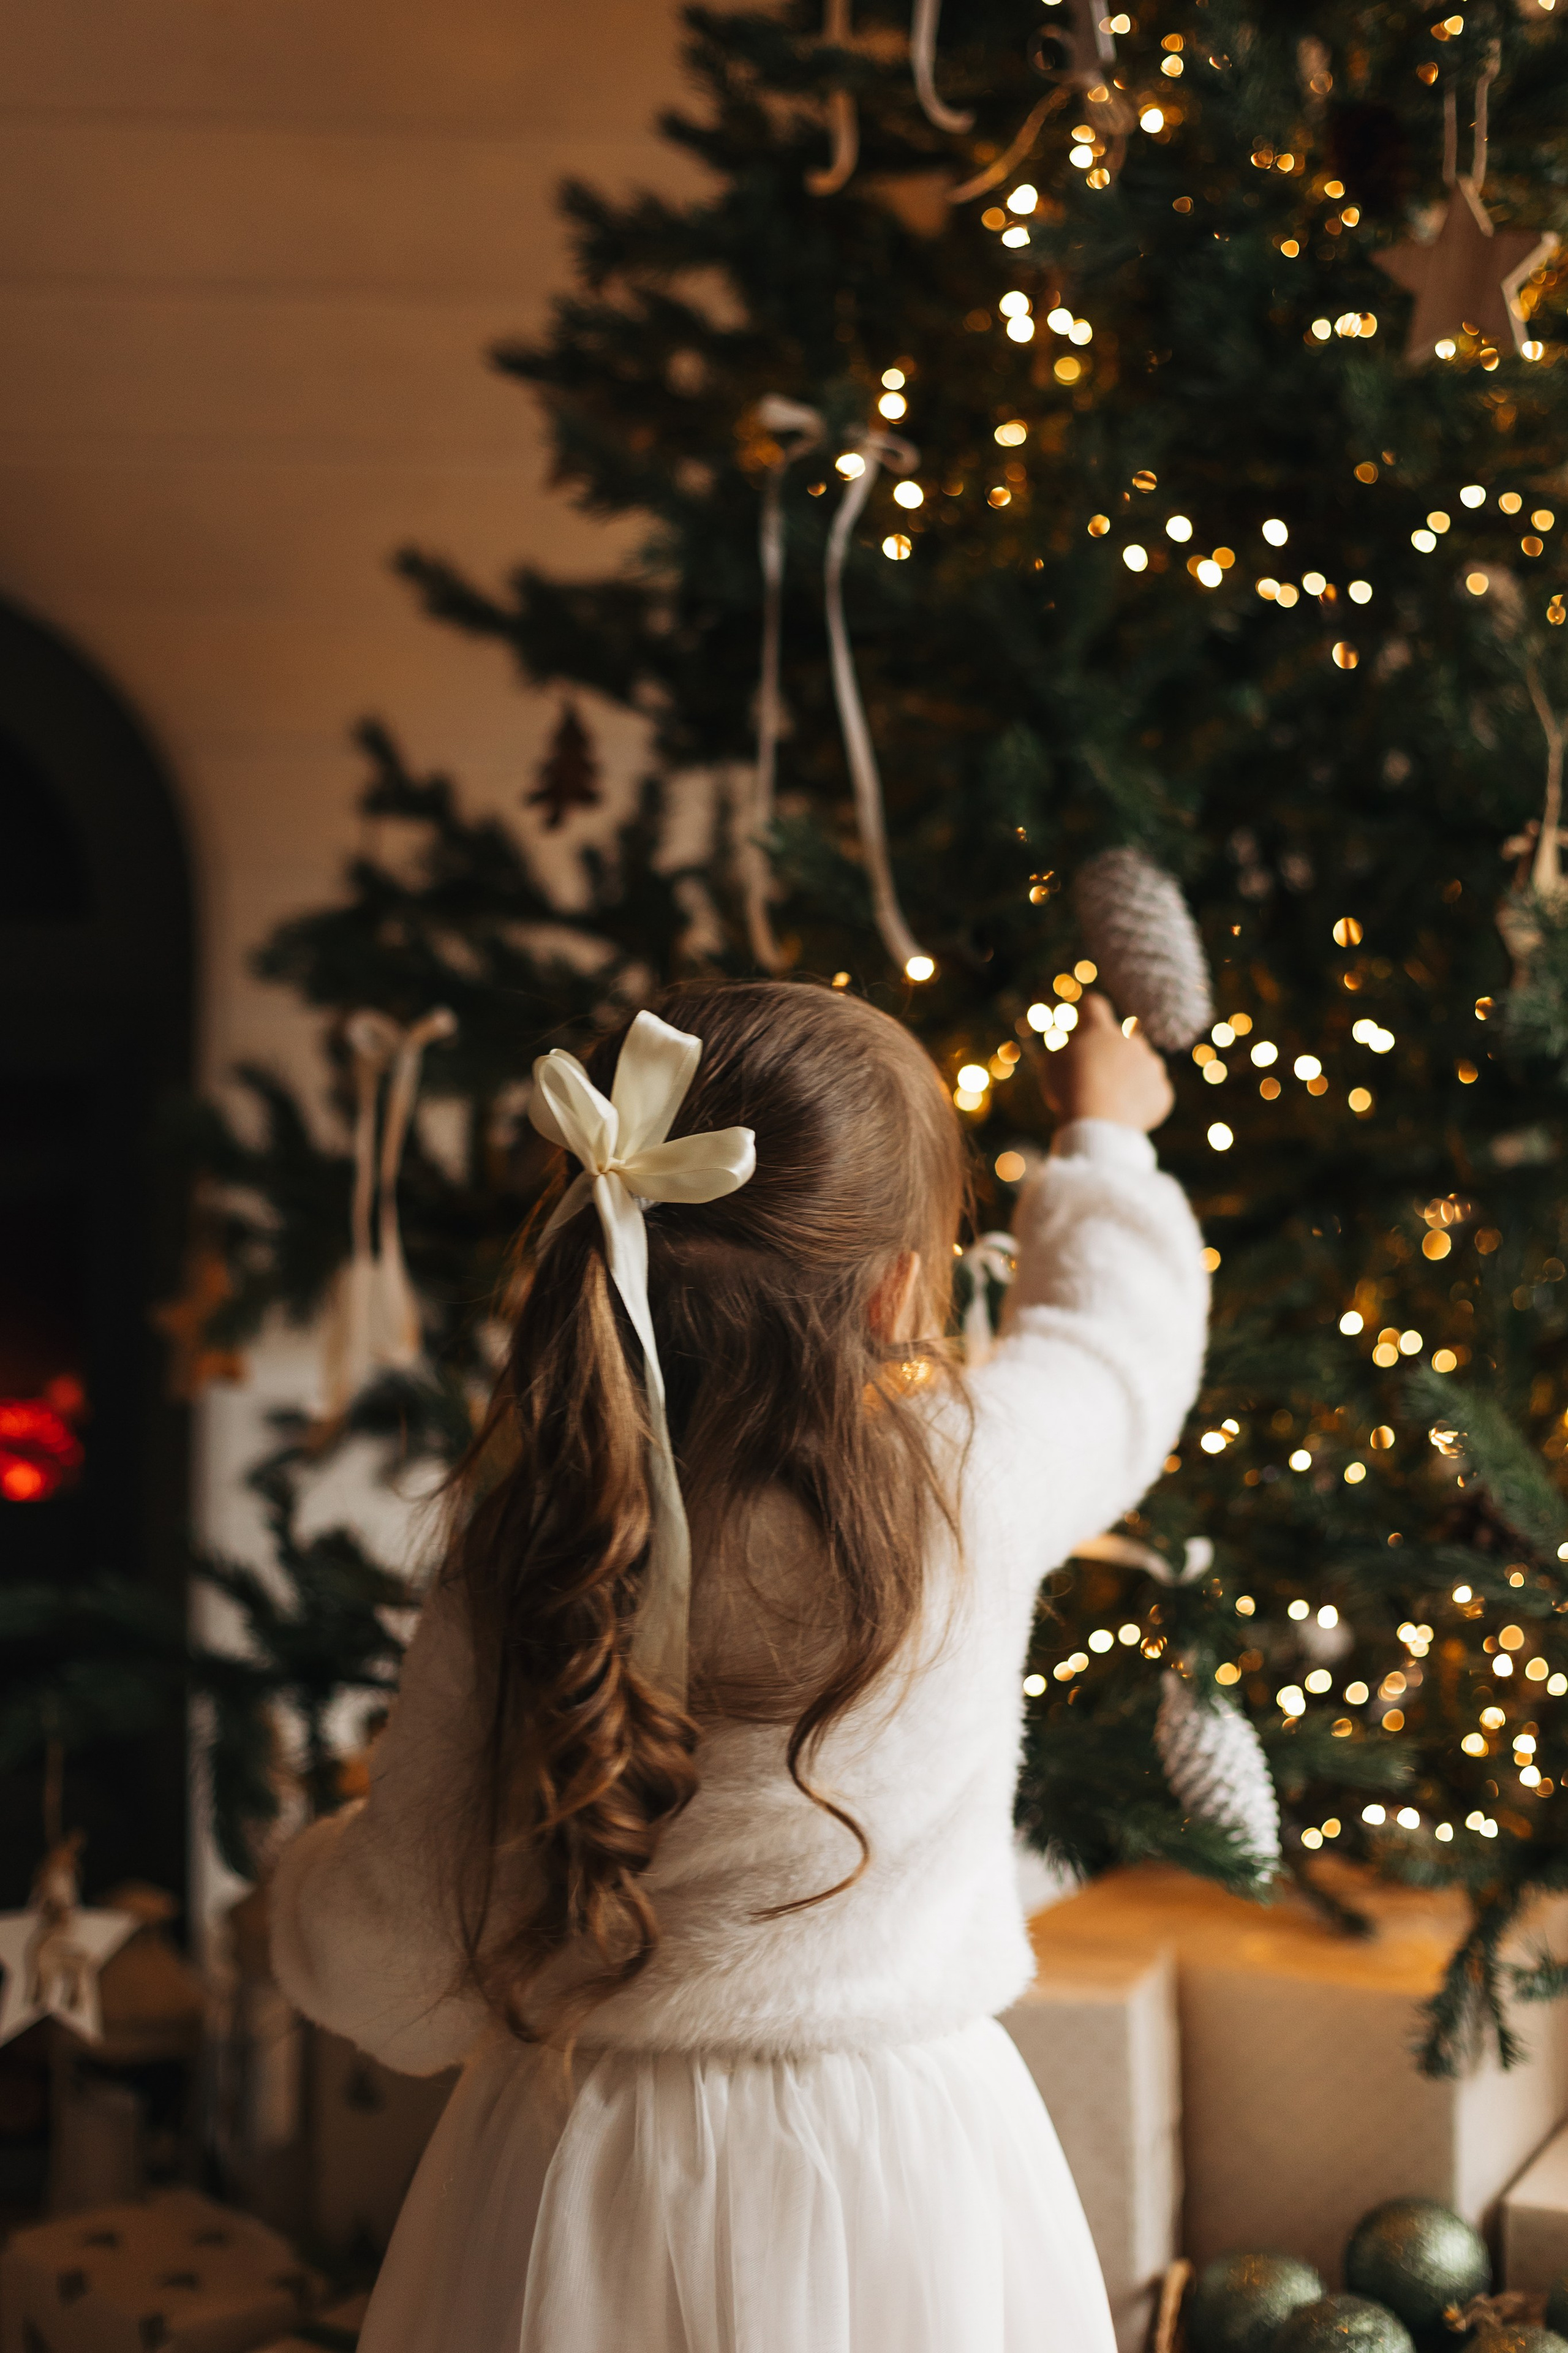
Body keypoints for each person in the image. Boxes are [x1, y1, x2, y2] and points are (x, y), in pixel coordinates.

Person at [270, 976, 1205, 2352]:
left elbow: (404, 1945)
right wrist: (1103, 1139)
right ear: (897, 1285)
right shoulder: (965, 1485)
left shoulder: (532, 1529)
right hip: (905, 2155)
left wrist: (290, 1904)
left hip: (576, 2163)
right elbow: (1112, 1360)